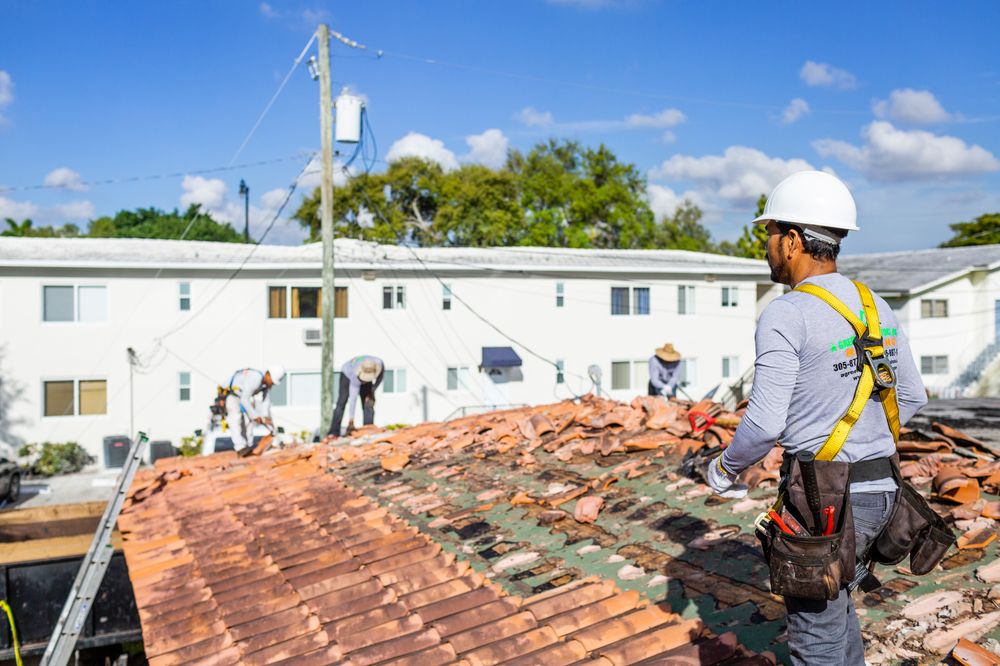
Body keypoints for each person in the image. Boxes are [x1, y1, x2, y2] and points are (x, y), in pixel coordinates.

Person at [706, 171, 926, 665]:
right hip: (884, 490)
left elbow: (763, 425)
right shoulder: (877, 305)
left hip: (824, 500)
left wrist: (722, 470)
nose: (766, 247)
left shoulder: (787, 313)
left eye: (769, 235)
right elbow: (910, 395)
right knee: (835, 611)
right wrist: (862, 436)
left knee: (815, 640)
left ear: (792, 241)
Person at [226, 365, 285, 456]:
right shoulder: (256, 378)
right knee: (236, 419)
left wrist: (264, 416)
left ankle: (247, 446)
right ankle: (240, 447)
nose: (272, 385)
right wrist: (255, 415)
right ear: (268, 375)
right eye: (272, 382)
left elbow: (266, 401)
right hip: (233, 397)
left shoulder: (264, 384)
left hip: (242, 398)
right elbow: (244, 399)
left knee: (249, 422)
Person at [327, 356, 384, 438]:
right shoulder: (354, 375)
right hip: (347, 374)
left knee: (368, 401)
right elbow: (353, 400)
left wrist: (372, 391)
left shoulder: (379, 365)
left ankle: (368, 429)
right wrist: (351, 420)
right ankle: (333, 432)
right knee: (342, 402)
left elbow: (380, 378)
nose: (364, 381)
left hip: (367, 370)